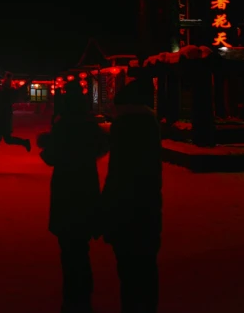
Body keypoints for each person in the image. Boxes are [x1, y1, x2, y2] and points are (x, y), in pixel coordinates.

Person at [39, 80, 108, 313]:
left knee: (69, 248)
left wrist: (47, 145)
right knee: (81, 246)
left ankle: (72, 297)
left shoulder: (63, 126)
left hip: (66, 189)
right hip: (86, 187)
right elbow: (102, 146)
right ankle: (84, 292)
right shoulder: (90, 127)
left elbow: (50, 157)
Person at [101, 78, 162, 313]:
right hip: (148, 209)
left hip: (126, 211)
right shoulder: (148, 125)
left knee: (129, 270)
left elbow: (118, 176)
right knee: (145, 267)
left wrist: (107, 210)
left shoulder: (126, 128)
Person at [0, 70, 31, 156]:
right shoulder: (8, 93)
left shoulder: (3, 92)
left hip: (2, 118)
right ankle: (24, 142)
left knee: (1, 139)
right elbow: (22, 88)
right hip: (4, 118)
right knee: (4, 139)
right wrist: (29, 81)